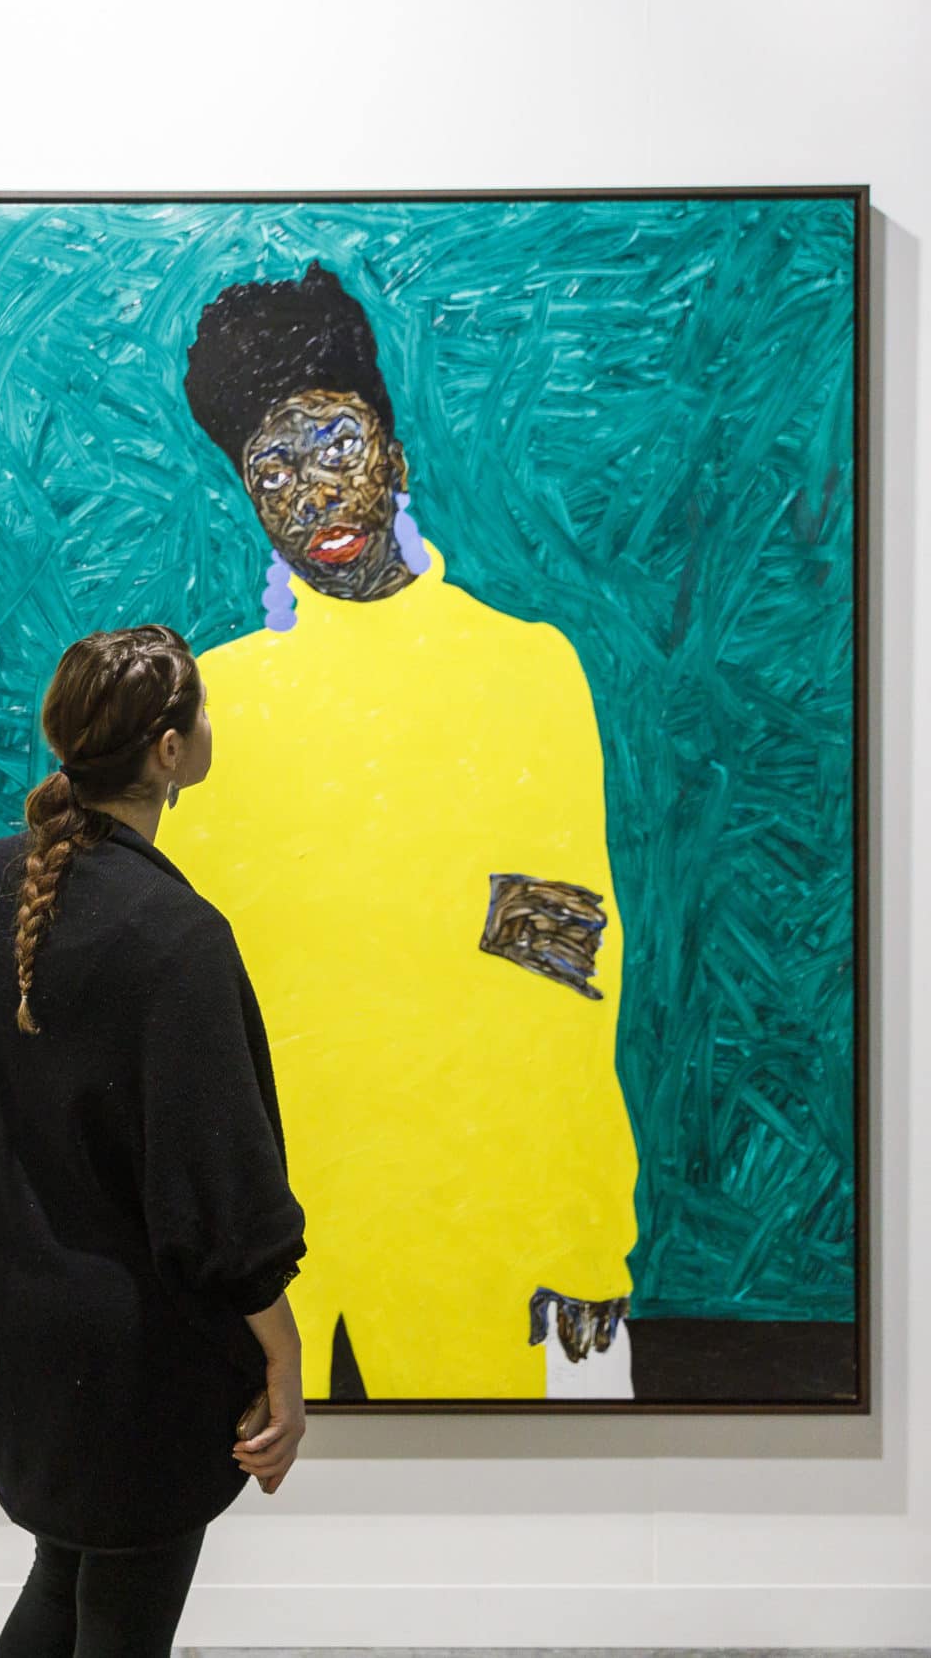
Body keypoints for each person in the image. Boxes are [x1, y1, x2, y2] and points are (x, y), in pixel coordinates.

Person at [170, 263, 638, 1398]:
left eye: (334, 444)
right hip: (273, 1232)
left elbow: (563, 953)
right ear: (245, 495)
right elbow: (187, 998)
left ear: (394, 453)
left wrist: (587, 1232)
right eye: (270, 467)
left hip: (476, 1214)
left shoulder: (520, 670)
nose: (311, 492)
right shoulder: (213, 705)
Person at [0, 625, 307, 1658]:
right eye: (200, 714)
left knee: (69, 1573)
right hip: (132, 1366)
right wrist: (281, 1343)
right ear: (168, 753)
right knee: (120, 1617)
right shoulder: (173, 937)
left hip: (6, 1338)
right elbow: (219, 1188)